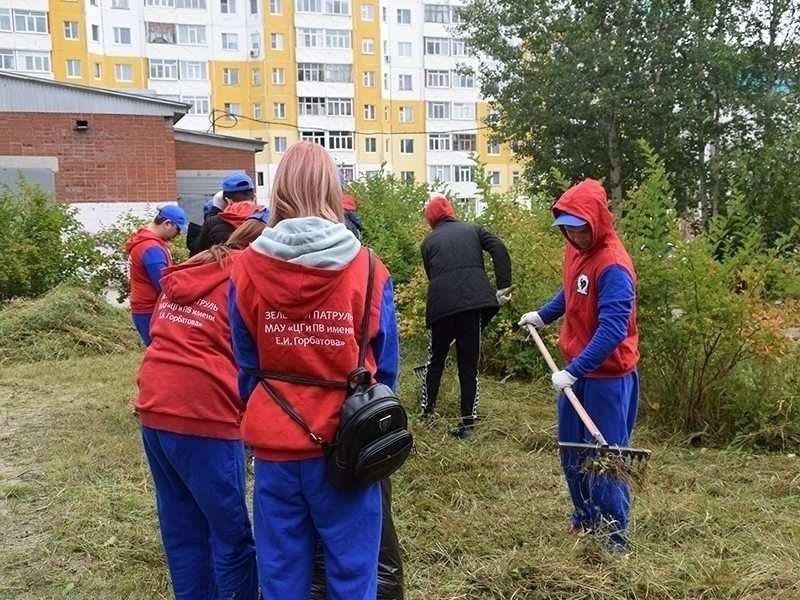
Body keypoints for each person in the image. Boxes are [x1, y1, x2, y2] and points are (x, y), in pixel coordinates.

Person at [229, 141, 400, 598]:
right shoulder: (369, 268)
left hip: (275, 448)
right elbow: (386, 369)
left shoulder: (243, 269)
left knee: (281, 576)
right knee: (352, 573)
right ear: (333, 189)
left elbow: (245, 362)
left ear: (279, 190)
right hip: (345, 446)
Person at [134, 215, 268, 600]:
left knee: (183, 526)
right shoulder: (252, 272)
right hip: (202, 409)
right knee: (230, 532)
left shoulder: (194, 266)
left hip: (155, 403)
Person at [518, 178, 640, 553]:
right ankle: (584, 518)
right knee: (572, 450)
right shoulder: (576, 250)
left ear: (597, 221)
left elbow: (613, 329)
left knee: (604, 458)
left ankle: (612, 537)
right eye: (566, 229)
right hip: (579, 373)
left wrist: (574, 370)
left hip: (607, 378)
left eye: (579, 228)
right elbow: (573, 290)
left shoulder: (614, 265)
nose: (573, 236)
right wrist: (543, 314)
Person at [419, 193, 512, 440]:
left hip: (442, 308)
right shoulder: (474, 229)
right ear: (451, 212)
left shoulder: (427, 243)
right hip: (473, 305)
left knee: (434, 362)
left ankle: (427, 416)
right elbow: (499, 247)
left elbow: (433, 275)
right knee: (468, 368)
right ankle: (468, 424)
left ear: (431, 220)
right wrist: (503, 286)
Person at [125, 204, 187, 346]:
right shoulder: (152, 248)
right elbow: (163, 284)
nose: (177, 235)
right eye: (177, 230)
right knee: (161, 352)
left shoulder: (143, 240)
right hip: (150, 309)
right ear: (167, 224)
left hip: (143, 308)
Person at [191, 173, 258, 255]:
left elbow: (198, 251)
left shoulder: (213, 223)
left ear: (227, 201)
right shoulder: (267, 219)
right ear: (254, 197)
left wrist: (216, 208)